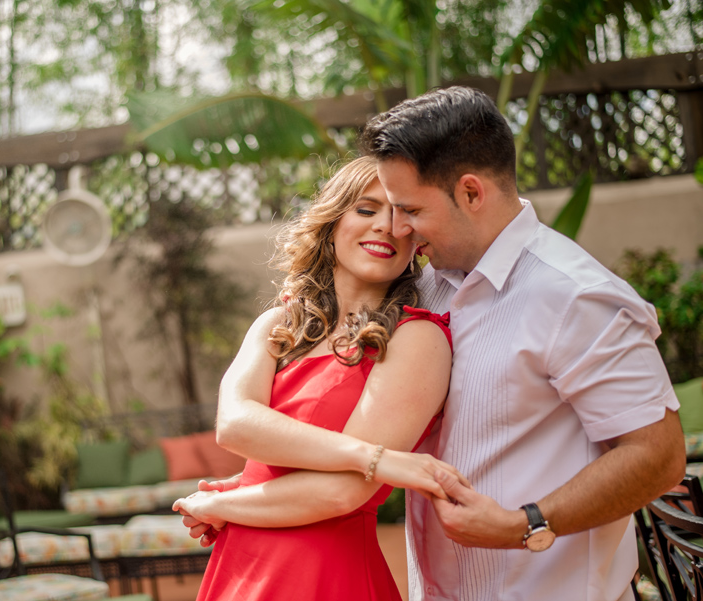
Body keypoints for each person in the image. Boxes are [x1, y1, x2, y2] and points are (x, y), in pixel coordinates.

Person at [179, 86, 686, 601]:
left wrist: (524, 523)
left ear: (470, 193)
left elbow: (658, 457)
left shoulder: (576, 296)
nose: (397, 229)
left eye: (409, 209)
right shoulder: (426, 287)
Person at [173, 155, 464, 600]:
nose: (385, 226)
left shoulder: (417, 337)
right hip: (238, 569)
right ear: (332, 222)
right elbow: (234, 425)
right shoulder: (279, 324)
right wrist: (371, 456)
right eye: (366, 210)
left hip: (326, 575)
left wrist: (217, 505)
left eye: (401, 216)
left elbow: (339, 494)